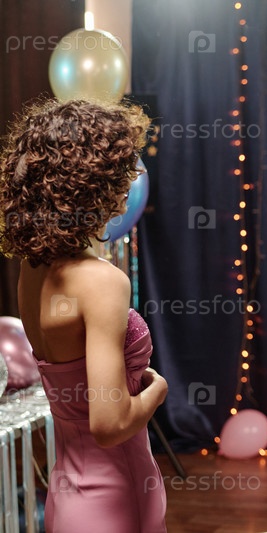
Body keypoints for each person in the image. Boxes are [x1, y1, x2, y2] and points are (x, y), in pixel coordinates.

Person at [0, 99, 169, 533]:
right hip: (115, 496)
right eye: (121, 169)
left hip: (68, 492)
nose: (130, 179)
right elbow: (109, 425)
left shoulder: (32, 268)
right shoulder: (101, 282)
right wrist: (157, 390)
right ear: (91, 182)